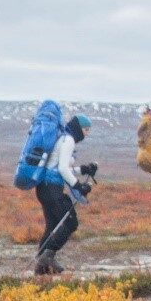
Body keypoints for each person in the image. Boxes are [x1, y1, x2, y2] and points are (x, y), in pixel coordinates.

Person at [33, 114, 97, 275]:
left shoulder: (62, 138)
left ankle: (41, 269)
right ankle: (47, 257)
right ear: (78, 128)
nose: (87, 133)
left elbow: (59, 168)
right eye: (86, 129)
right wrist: (79, 186)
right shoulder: (68, 140)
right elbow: (62, 169)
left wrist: (83, 170)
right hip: (52, 188)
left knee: (52, 226)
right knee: (71, 222)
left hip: (44, 188)